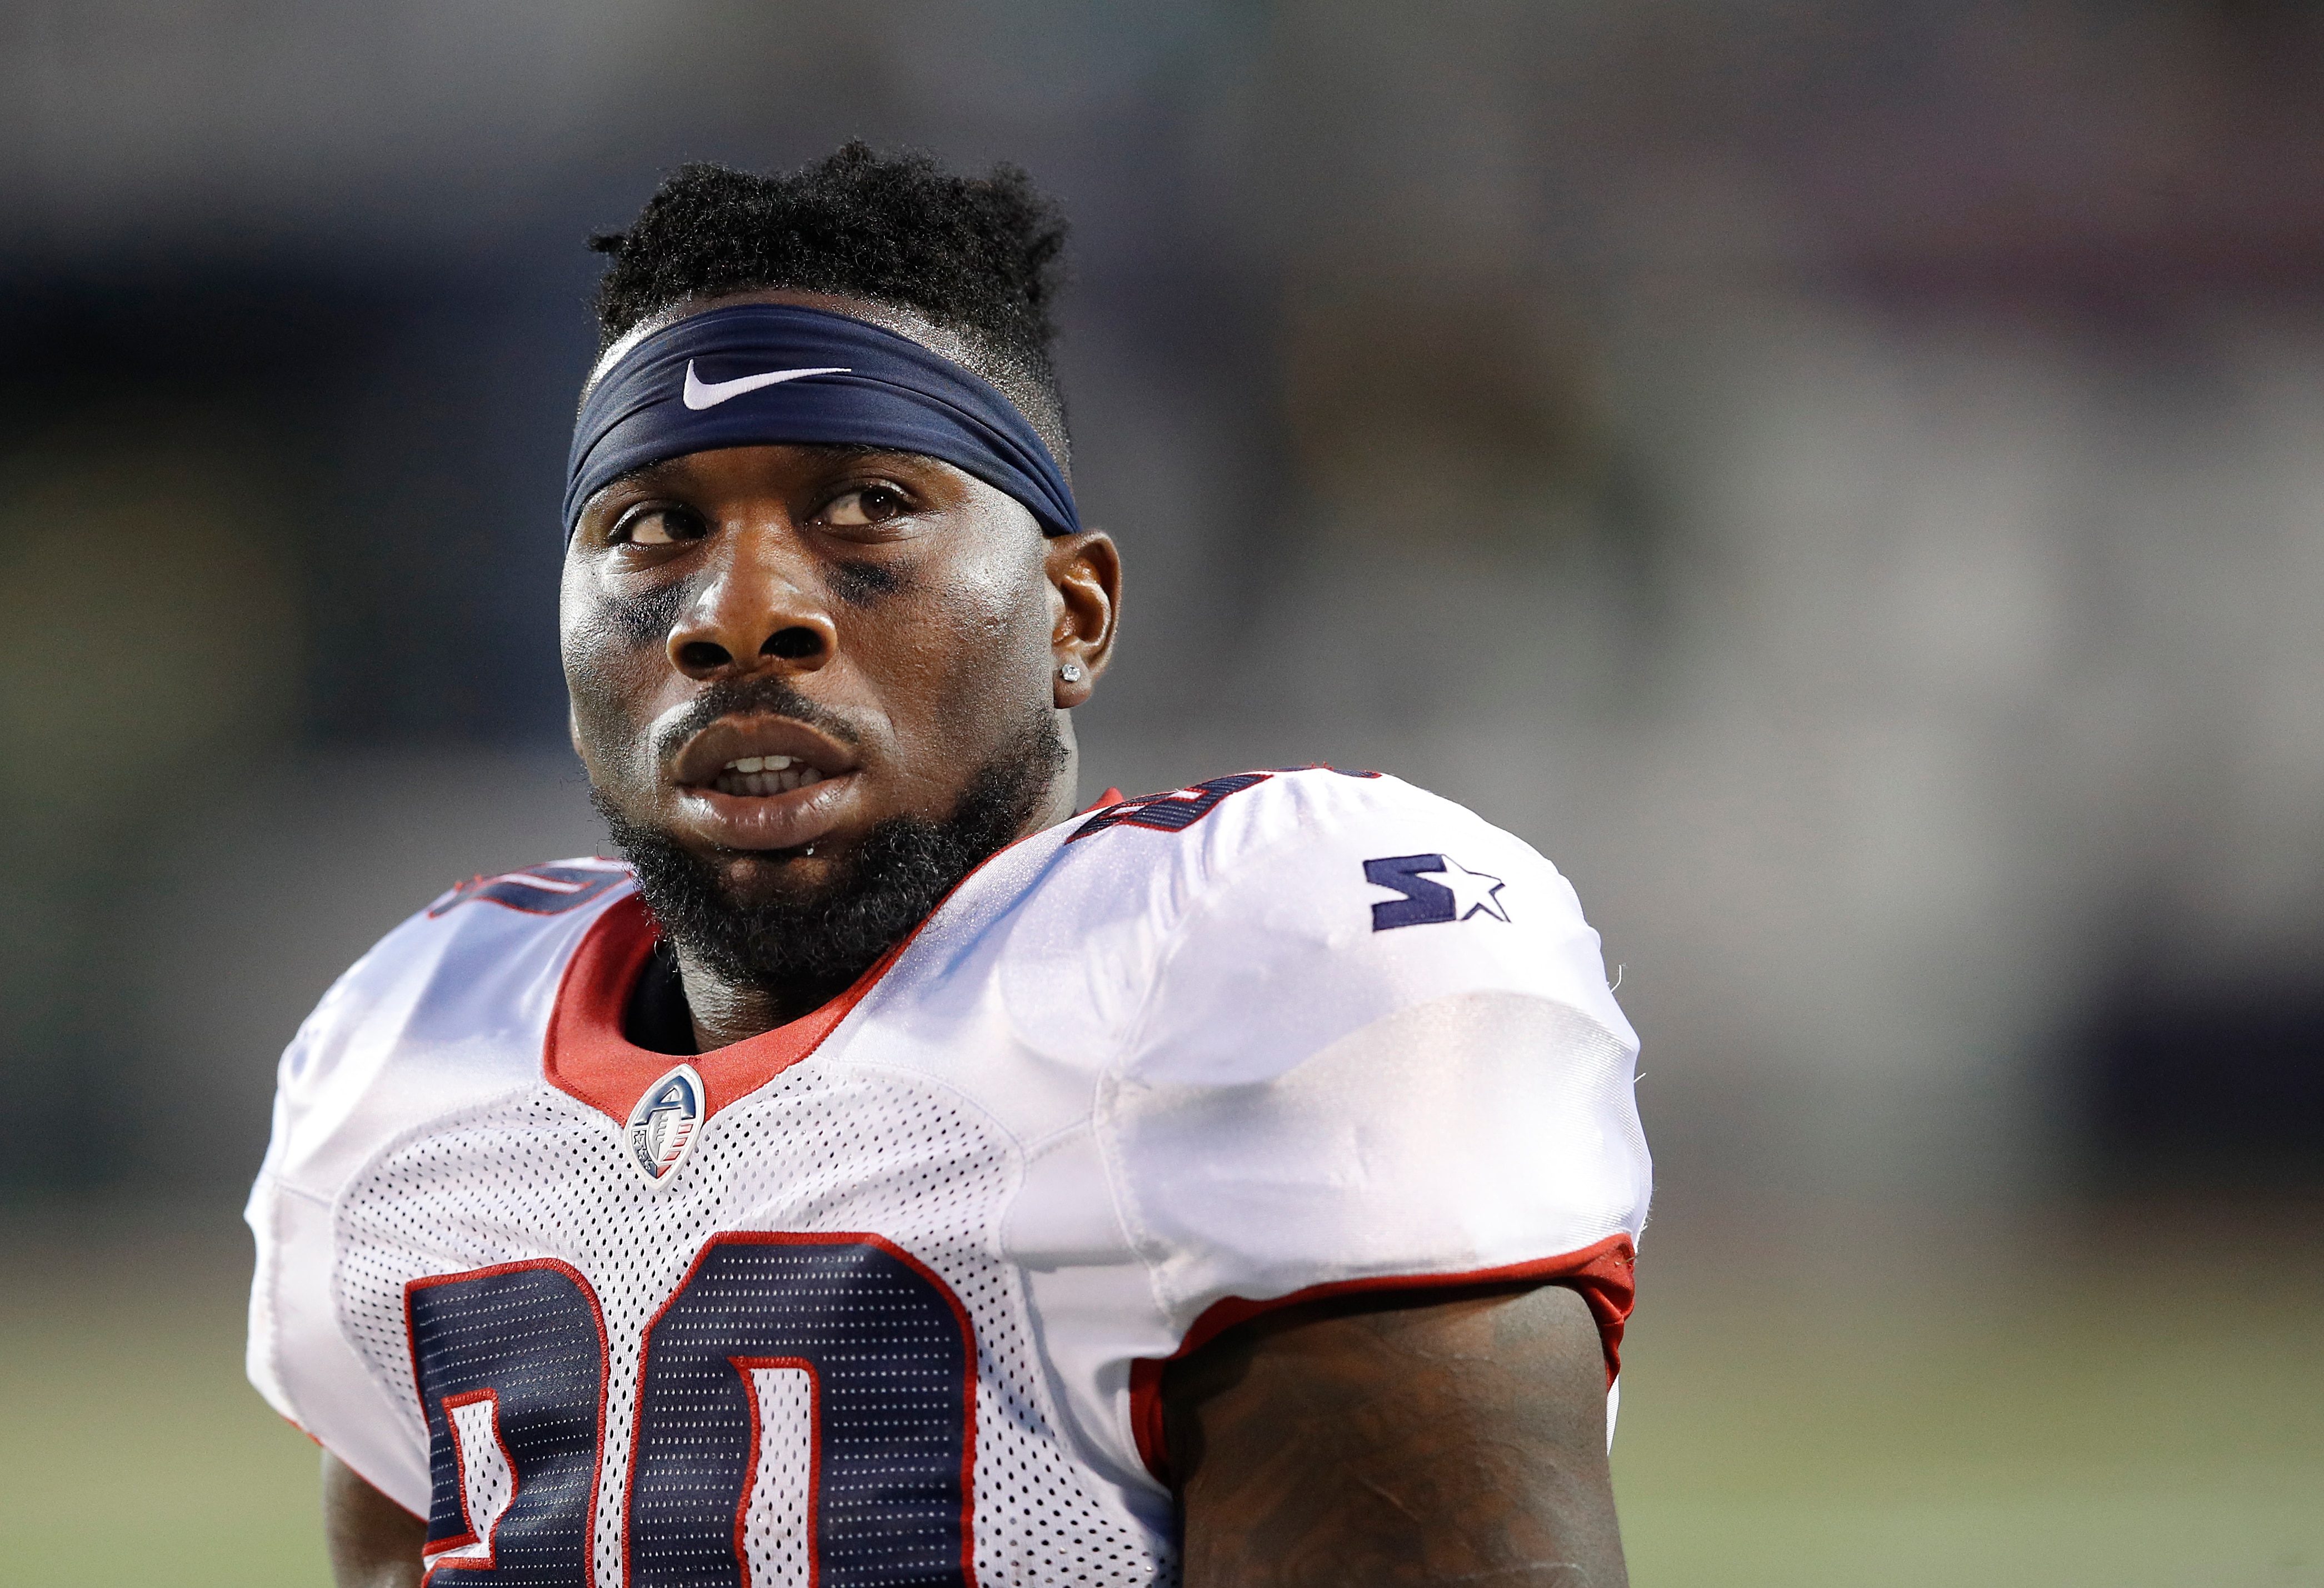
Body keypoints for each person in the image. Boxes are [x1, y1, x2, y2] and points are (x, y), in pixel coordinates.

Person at [246, 143, 1652, 1588]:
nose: (739, 613)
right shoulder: (408, 1057)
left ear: (1075, 614)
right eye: (653, 526)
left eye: (865, 506)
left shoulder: (1253, 967)